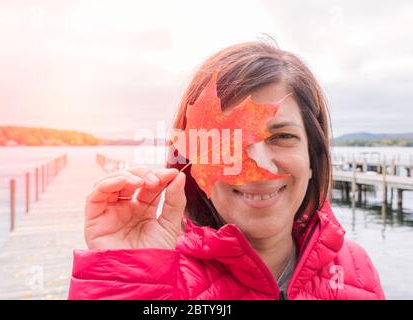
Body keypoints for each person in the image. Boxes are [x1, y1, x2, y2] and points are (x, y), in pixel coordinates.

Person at [68, 41, 385, 300]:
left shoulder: (355, 269)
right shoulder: (159, 278)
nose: (258, 167)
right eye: (229, 143)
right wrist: (124, 275)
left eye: (282, 137)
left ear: (313, 156)